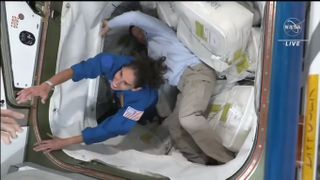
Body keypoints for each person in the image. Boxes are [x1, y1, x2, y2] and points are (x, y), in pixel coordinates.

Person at [101, 11, 235, 165]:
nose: (138, 34)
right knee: (174, 127)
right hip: (184, 86)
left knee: (189, 118)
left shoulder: (161, 33)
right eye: (134, 35)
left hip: (196, 72)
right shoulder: (151, 57)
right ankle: (202, 164)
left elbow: (134, 16)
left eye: (137, 30)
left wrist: (109, 25)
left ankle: (227, 161)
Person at [16, 52, 167, 152]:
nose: (116, 81)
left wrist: (64, 142)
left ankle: (152, 118)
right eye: (120, 74)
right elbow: (79, 70)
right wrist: (47, 85)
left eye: (125, 83)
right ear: (123, 66)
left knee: (147, 116)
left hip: (148, 105)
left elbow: (112, 128)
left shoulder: (140, 101)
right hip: (122, 95)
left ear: (135, 89)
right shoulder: (112, 62)